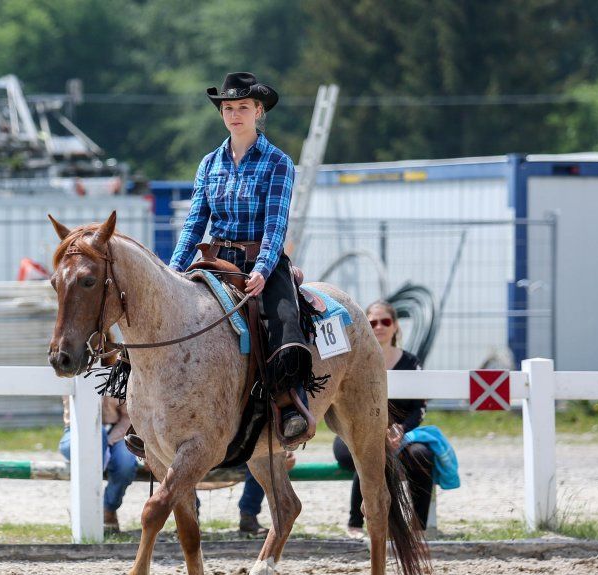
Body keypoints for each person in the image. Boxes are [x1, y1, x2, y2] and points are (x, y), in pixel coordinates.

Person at [169, 72, 317, 441]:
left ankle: (289, 406)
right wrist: (173, 269)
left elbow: (275, 224)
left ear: (258, 111)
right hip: (215, 259)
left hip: (260, 261)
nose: (234, 114)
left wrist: (265, 268)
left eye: (243, 107)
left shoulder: (278, 162)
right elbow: (194, 223)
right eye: (228, 108)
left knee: (285, 322)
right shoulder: (209, 163)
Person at [333, 301, 434, 537]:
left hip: (400, 434)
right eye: (373, 322)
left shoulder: (412, 363)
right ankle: (356, 522)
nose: (379, 327)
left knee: (423, 456)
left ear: (396, 326)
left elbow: (420, 408)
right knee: (370, 450)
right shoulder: (351, 361)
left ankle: (418, 528)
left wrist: (401, 429)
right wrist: (374, 432)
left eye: (385, 321)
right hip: (352, 433)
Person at [59, 395, 138, 534]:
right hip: (77, 430)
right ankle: (86, 506)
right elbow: (80, 417)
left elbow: (128, 417)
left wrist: (109, 440)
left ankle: (108, 508)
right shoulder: (78, 374)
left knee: (126, 463)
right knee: (96, 434)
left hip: (116, 429)